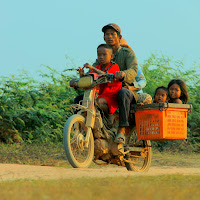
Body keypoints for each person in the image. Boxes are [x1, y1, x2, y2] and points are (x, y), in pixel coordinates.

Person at [93, 23, 139, 144]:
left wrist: (123, 74)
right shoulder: (103, 53)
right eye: (107, 34)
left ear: (119, 37)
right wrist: (82, 77)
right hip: (107, 91)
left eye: (113, 34)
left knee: (123, 93)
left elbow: (133, 70)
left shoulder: (127, 53)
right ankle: (83, 128)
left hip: (126, 89)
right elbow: (93, 69)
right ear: (103, 38)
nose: (109, 37)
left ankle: (122, 130)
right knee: (80, 99)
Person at [72, 44, 122, 122]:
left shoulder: (114, 66)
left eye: (104, 55)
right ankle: (77, 122)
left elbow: (105, 74)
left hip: (111, 96)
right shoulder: (98, 67)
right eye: (99, 55)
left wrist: (92, 68)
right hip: (98, 94)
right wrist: (82, 74)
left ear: (111, 56)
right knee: (79, 99)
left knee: (97, 101)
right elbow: (89, 78)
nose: (101, 57)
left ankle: (109, 117)